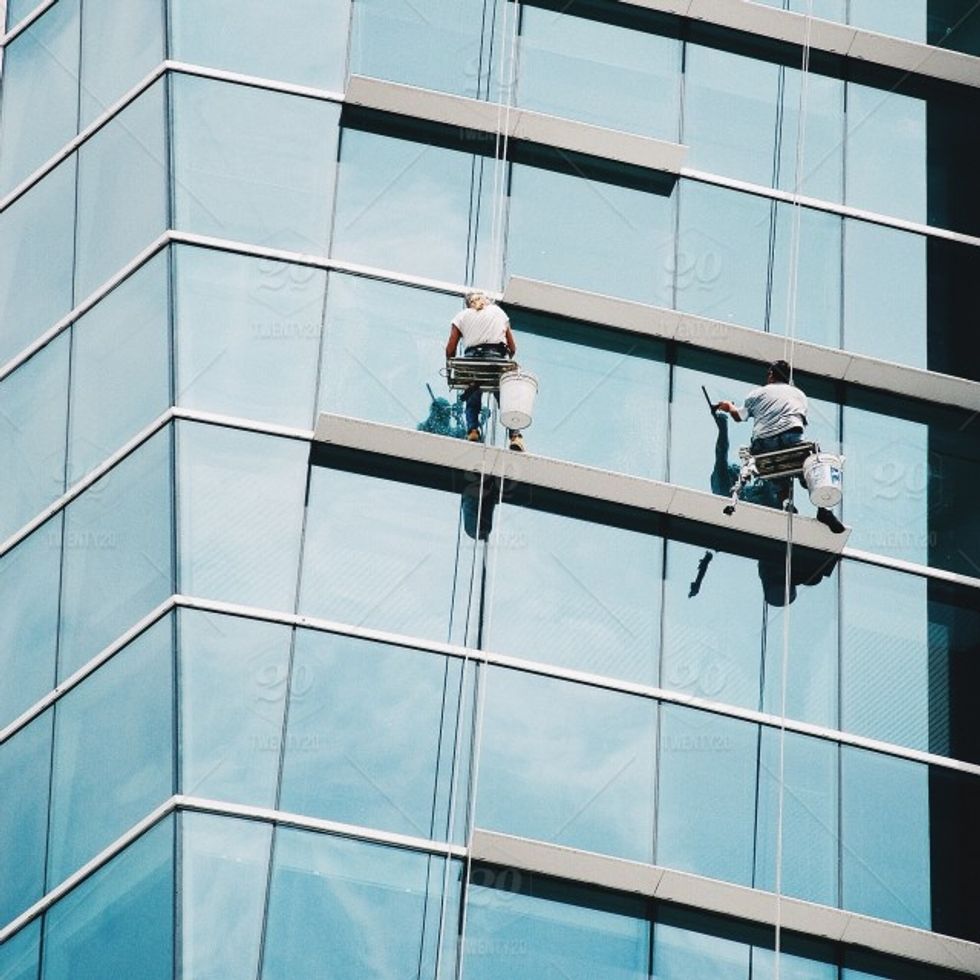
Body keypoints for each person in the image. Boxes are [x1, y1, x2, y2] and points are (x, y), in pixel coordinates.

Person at [716, 360, 845, 533]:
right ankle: (824, 510)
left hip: (763, 446)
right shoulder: (800, 395)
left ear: (771, 374)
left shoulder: (757, 393)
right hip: (792, 440)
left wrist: (728, 406)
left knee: (777, 467)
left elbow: (739, 416)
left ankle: (785, 503)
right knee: (810, 463)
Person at [445, 291, 524, 451]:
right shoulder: (498, 312)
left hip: (472, 361)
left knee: (472, 395)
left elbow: (450, 348)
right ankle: (515, 436)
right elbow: (513, 347)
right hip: (495, 359)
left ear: (468, 304)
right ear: (486, 301)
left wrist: (450, 364)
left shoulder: (461, 316)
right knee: (504, 399)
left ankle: (473, 430)